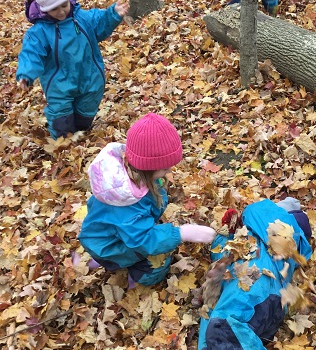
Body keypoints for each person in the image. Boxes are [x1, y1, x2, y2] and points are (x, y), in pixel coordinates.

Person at [197, 198, 312, 350]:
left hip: (256, 284)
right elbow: (222, 248)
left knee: (220, 328)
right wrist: (222, 236)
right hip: (265, 305)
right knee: (208, 346)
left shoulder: (261, 214)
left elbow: (252, 219)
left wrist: (233, 226)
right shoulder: (263, 238)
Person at [78, 113, 217, 287]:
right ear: (147, 168)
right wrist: (182, 233)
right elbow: (143, 240)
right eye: (164, 168)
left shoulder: (133, 175)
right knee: (157, 266)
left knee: (127, 242)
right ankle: (133, 277)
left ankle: (103, 260)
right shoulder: (126, 202)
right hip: (110, 244)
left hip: (111, 234)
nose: (169, 171)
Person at [16, 0, 129, 139]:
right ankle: (64, 147)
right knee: (62, 125)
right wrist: (26, 74)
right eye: (54, 9)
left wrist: (112, 15)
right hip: (59, 85)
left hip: (89, 79)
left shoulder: (81, 18)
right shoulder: (40, 32)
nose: (61, 12)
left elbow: (99, 22)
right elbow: (31, 53)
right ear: (44, 9)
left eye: (64, 5)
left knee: (84, 119)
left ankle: (81, 135)